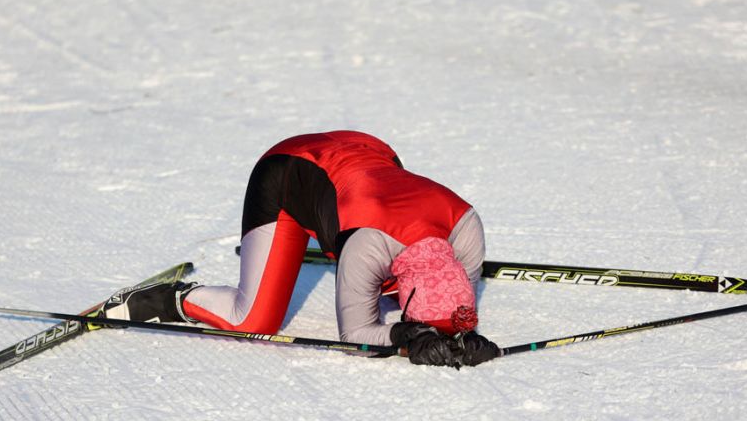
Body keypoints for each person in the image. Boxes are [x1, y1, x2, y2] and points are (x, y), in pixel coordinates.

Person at [101, 131, 499, 367]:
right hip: (289, 171)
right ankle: (172, 300)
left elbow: (451, 298)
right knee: (253, 320)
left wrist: (464, 333)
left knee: (398, 287)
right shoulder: (366, 245)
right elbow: (356, 336)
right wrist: (404, 337)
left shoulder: (467, 227)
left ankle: (325, 254)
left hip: (371, 151)